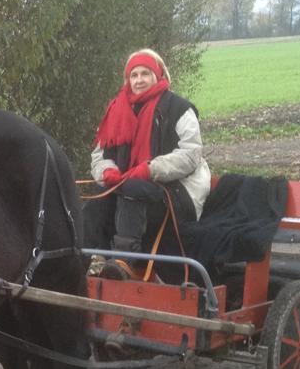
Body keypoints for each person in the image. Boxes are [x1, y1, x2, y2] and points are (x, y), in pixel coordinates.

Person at [83, 49, 211, 274]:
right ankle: (93, 257)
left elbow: (191, 154)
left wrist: (150, 170)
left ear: (158, 76)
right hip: (131, 186)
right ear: (127, 79)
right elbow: (99, 155)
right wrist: (107, 172)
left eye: (145, 73)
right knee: (98, 196)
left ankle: (123, 262)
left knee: (132, 189)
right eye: (134, 75)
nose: (139, 80)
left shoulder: (179, 108)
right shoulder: (116, 110)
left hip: (177, 191)